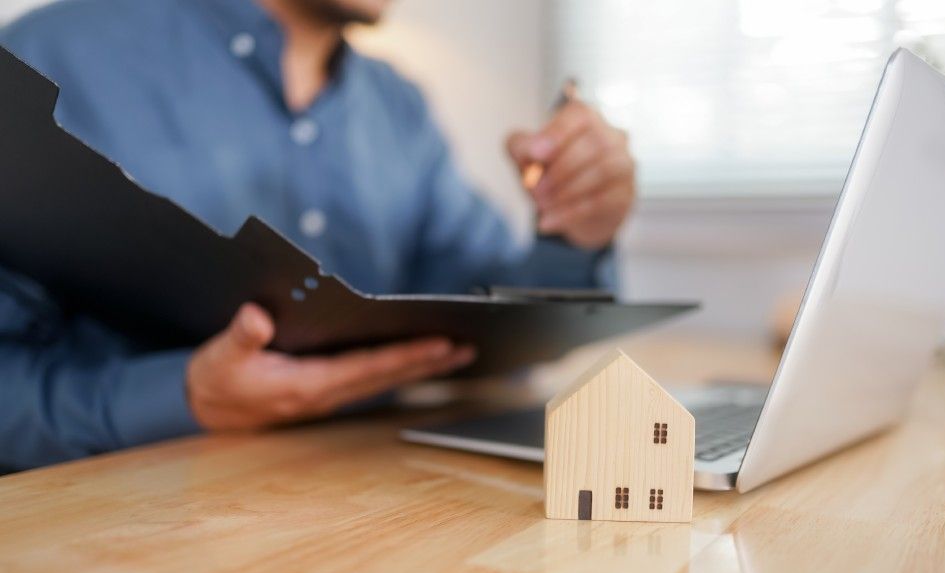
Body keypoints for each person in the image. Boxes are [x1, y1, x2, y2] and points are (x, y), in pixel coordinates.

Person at [0, 0, 636, 471]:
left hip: (373, 531)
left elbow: (497, 318)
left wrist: (576, 234)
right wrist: (179, 396)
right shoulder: (50, 59)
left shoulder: (399, 108)